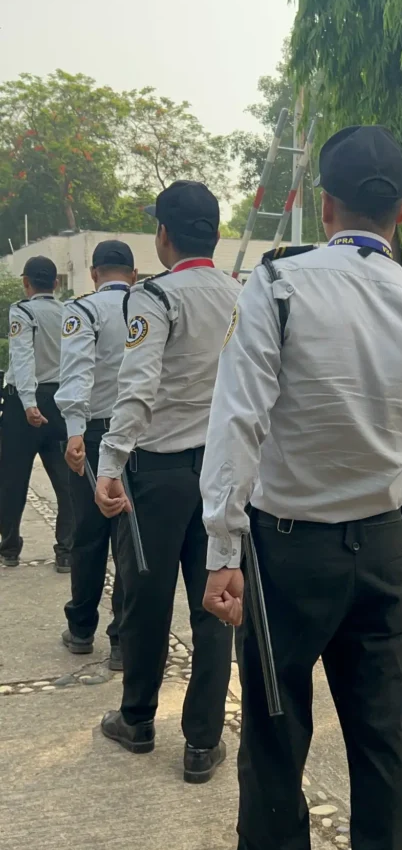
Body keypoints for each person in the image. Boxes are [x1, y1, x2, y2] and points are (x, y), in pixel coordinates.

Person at [201, 126, 402, 850]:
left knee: (278, 723)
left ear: (324, 205)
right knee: (382, 734)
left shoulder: (279, 286)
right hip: (383, 550)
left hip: (287, 551)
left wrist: (222, 547)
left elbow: (237, 422)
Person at [94, 181, 240, 783]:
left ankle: (138, 719)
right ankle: (203, 742)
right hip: (220, 473)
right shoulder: (241, 295)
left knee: (147, 600)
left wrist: (109, 461)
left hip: (155, 475)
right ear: (215, 234)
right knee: (216, 604)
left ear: (162, 235)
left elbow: (138, 387)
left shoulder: (154, 296)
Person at [55, 240, 138, 669]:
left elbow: (77, 372)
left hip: (92, 435)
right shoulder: (149, 307)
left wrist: (73, 431)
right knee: (130, 538)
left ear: (93, 273)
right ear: (134, 275)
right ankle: (123, 639)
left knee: (89, 536)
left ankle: (82, 630)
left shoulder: (83, 311)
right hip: (140, 435)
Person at [0, 255, 72, 570]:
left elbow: (22, 356)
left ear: (26, 282)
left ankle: (10, 547)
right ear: (55, 283)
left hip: (23, 405)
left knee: (12, 478)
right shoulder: (69, 312)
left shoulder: (22, 311)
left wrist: (29, 402)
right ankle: (66, 550)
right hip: (60, 401)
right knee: (66, 480)